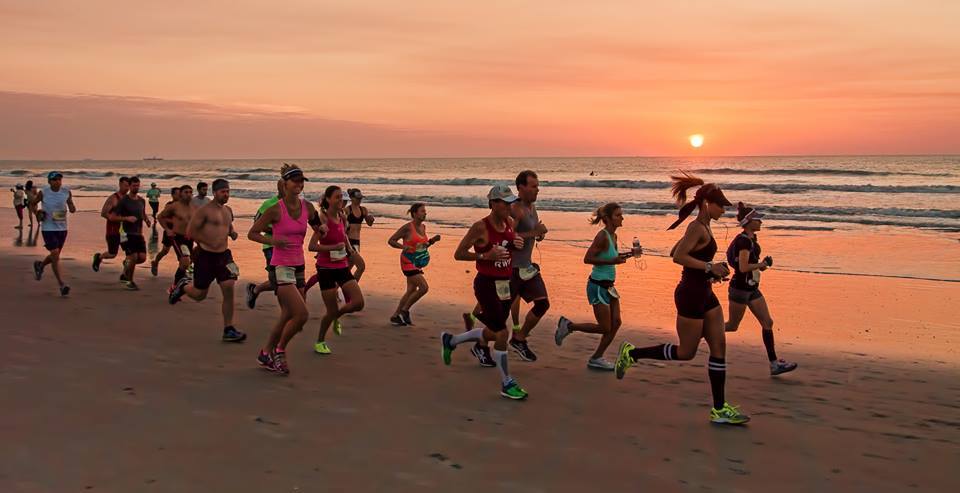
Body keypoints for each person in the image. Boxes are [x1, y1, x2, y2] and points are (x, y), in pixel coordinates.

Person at [615, 173, 750, 425]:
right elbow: (678, 259)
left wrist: (710, 268)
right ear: (708, 204)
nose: (725, 211)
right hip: (690, 294)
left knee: (719, 347)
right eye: (722, 206)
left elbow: (675, 251)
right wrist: (709, 267)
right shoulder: (697, 227)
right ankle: (632, 354)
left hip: (705, 292)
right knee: (686, 352)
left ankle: (719, 410)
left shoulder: (703, 227)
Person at [440, 185, 529, 400]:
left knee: (493, 332)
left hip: (505, 284)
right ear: (493, 203)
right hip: (486, 284)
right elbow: (458, 254)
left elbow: (507, 246)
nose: (510, 206)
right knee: (502, 333)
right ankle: (507, 382)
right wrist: (484, 256)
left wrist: (517, 244)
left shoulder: (508, 223)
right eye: (505, 202)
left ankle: (451, 341)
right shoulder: (480, 227)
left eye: (511, 202)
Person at [247, 164, 324, 374]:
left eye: (302, 181)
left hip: (299, 265)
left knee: (289, 316)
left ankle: (266, 352)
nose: (299, 184)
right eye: (295, 181)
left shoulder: (307, 207)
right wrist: (272, 240)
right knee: (301, 314)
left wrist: (322, 230)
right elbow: (253, 233)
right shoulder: (275, 209)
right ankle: (279, 352)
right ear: (285, 184)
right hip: (280, 267)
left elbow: (318, 228)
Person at [556, 203, 641, 370]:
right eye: (618, 215)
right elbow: (587, 259)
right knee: (604, 327)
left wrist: (631, 254)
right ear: (607, 219)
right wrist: (612, 260)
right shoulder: (601, 236)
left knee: (616, 323)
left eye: (621, 214)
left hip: (610, 286)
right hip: (597, 286)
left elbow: (613, 258)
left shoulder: (613, 237)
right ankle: (568, 326)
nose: (622, 218)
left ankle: (597, 357)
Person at [724, 202, 797, 376]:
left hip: (752, 288)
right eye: (757, 220)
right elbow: (742, 267)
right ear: (748, 222)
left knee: (767, 323)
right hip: (740, 288)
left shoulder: (751, 239)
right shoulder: (743, 241)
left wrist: (760, 266)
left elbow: (748, 265)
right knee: (733, 326)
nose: (761, 222)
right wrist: (762, 264)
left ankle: (774, 364)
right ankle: (701, 330)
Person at [169, 179, 246, 343]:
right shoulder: (204, 211)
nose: (226, 195)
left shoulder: (228, 210)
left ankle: (228, 329)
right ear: (215, 192)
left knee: (229, 287)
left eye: (228, 191)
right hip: (206, 255)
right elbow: (190, 232)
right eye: (222, 192)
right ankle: (183, 286)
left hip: (224, 255)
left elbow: (227, 225)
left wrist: (232, 233)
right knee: (199, 295)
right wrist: (207, 241)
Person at [310, 185, 364, 355]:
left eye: (342, 197)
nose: (341, 200)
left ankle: (335, 317)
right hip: (325, 268)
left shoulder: (342, 217)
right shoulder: (322, 219)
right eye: (337, 197)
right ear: (327, 200)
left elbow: (344, 236)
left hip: (341, 266)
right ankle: (320, 341)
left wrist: (350, 250)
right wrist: (333, 247)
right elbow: (312, 247)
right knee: (331, 310)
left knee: (358, 303)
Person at [506, 170, 549, 361]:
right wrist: (534, 233)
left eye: (537, 186)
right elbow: (506, 238)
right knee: (497, 318)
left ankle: (519, 338)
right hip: (511, 269)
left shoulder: (532, 207)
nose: (537, 190)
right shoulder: (515, 209)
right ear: (521, 188)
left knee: (542, 303)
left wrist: (539, 233)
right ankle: (465, 341)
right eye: (533, 186)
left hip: (527, 267)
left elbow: (532, 231)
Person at [387, 203, 440, 326]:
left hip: (417, 262)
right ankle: (405, 311)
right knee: (424, 288)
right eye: (422, 211)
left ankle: (395, 316)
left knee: (411, 290)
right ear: (415, 213)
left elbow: (422, 246)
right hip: (407, 261)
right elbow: (391, 240)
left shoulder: (423, 227)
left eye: (425, 211)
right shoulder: (407, 228)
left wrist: (432, 240)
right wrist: (402, 246)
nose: (425, 213)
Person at [31, 172, 77, 296]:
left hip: (62, 228)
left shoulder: (66, 192)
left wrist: (72, 208)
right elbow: (33, 204)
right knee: (55, 254)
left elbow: (71, 206)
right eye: (54, 180)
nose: (57, 181)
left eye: (59, 179)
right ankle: (62, 285)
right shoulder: (44, 192)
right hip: (48, 227)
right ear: (49, 181)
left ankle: (40, 265)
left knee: (54, 256)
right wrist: (38, 213)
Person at [245, 182, 284, 309]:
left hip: (289, 247)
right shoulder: (269, 204)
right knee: (278, 280)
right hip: (270, 245)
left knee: (285, 280)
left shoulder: (294, 205)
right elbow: (256, 222)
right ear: (279, 188)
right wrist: (273, 230)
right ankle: (287, 311)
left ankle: (255, 289)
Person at [156, 184, 196, 285]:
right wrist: (167, 229)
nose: (189, 194)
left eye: (190, 192)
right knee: (185, 261)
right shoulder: (174, 206)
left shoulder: (194, 207)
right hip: (178, 237)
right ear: (181, 194)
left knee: (186, 263)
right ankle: (175, 286)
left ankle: (179, 283)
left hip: (189, 238)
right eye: (186, 192)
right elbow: (160, 217)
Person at [116, 176, 152, 290]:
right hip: (125, 233)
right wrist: (126, 218)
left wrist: (146, 219)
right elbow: (114, 216)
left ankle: (127, 265)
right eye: (133, 186)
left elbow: (142, 212)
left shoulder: (141, 200)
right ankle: (129, 281)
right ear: (129, 186)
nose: (136, 187)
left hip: (138, 233)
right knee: (134, 256)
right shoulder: (124, 201)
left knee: (141, 258)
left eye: (138, 185)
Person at [92, 176, 130, 273]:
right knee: (112, 254)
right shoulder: (113, 198)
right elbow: (104, 213)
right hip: (113, 230)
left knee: (130, 252)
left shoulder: (128, 199)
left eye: (128, 186)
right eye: (125, 186)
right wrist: (116, 218)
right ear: (120, 184)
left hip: (124, 231)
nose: (127, 188)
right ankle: (99, 257)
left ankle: (126, 273)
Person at [151, 187, 181, 276]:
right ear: (173, 195)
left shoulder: (183, 205)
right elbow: (163, 217)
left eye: (180, 194)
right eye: (177, 194)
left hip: (180, 232)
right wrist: (172, 223)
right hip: (170, 231)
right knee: (165, 250)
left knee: (182, 253)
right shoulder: (169, 205)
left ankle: (183, 271)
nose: (179, 195)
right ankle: (155, 262)